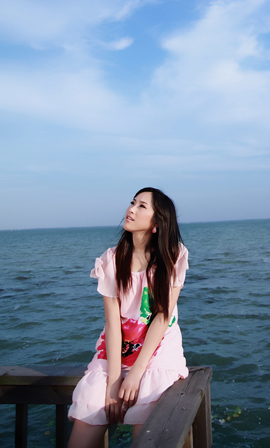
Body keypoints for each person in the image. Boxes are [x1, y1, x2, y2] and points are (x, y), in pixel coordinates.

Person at [67, 188, 189, 448]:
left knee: (146, 431)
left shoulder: (173, 256)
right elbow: (112, 323)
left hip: (156, 353)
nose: (131, 209)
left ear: (157, 222)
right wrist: (113, 383)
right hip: (116, 352)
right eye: (132, 202)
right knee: (92, 405)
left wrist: (136, 373)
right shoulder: (112, 260)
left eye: (141, 206)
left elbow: (162, 317)